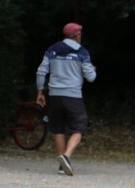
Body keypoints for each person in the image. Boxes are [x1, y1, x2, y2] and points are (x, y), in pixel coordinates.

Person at [36, 22, 96, 176]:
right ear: (76, 35)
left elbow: (41, 71)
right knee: (79, 128)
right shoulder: (82, 52)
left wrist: (40, 92)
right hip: (73, 96)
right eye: (80, 34)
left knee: (58, 129)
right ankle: (67, 157)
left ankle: (62, 166)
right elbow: (91, 78)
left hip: (54, 95)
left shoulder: (52, 49)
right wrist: (92, 69)